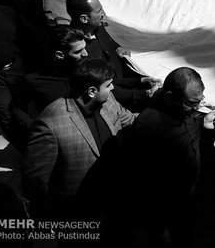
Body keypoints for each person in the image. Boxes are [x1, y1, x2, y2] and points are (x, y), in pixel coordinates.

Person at [92, 67, 215, 246]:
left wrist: (203, 125)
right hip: (159, 208)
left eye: (200, 101)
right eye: (192, 103)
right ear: (169, 96)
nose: (197, 107)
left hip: (184, 198)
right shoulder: (150, 126)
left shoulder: (182, 109)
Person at [22, 59, 136, 220]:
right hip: (78, 208)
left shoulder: (108, 100)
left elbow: (128, 119)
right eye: (109, 85)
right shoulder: (50, 124)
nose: (112, 88)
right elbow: (35, 179)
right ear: (91, 91)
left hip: (113, 194)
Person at [66, 0, 161, 110]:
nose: (103, 14)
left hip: (127, 82)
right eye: (99, 11)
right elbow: (108, 87)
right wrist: (145, 93)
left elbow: (109, 41)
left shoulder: (97, 28)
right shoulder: (79, 50)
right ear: (84, 18)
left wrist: (117, 47)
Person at [0, 0, 26, 142]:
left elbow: (25, 39)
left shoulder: (8, 13)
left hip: (17, 69)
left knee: (27, 111)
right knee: (7, 118)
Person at [22, 25, 88, 115]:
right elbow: (22, 112)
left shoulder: (86, 69)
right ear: (60, 55)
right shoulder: (34, 81)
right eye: (78, 52)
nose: (85, 54)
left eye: (84, 48)